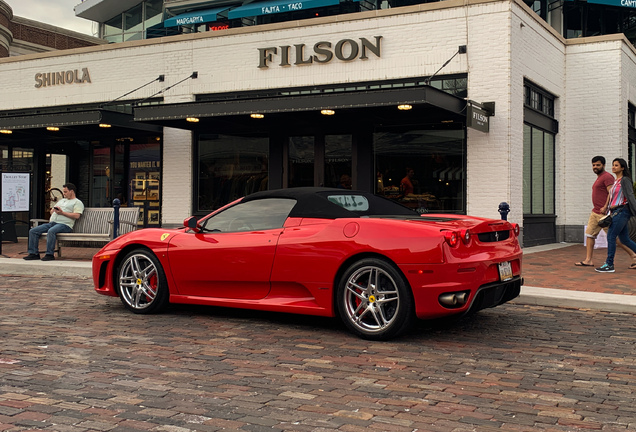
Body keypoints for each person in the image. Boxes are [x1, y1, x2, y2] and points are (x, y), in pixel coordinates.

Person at [575, 156, 636, 266]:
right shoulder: (613, 179)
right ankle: (588, 260)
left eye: (598, 165)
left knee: (614, 237)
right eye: (593, 165)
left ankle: (611, 264)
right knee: (592, 235)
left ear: (603, 165)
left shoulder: (612, 178)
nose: (595, 167)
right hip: (599, 212)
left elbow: (620, 195)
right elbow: (613, 194)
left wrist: (606, 207)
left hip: (612, 213)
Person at [23, 183, 84, 262]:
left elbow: (77, 216)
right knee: (33, 231)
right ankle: (33, 253)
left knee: (51, 231)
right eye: (63, 192)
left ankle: (49, 254)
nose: (63, 194)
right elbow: (52, 212)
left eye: (65, 192)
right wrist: (53, 210)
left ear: (71, 191)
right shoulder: (62, 201)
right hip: (52, 223)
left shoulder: (77, 202)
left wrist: (62, 213)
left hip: (65, 225)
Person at [595, 158, 636, 273]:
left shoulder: (625, 180)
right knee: (625, 239)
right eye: (613, 165)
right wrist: (607, 207)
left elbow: (630, 196)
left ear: (622, 168)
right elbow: (612, 197)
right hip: (615, 212)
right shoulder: (615, 181)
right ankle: (609, 264)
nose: (613, 167)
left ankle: (609, 264)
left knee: (611, 236)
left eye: (616, 165)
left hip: (622, 211)